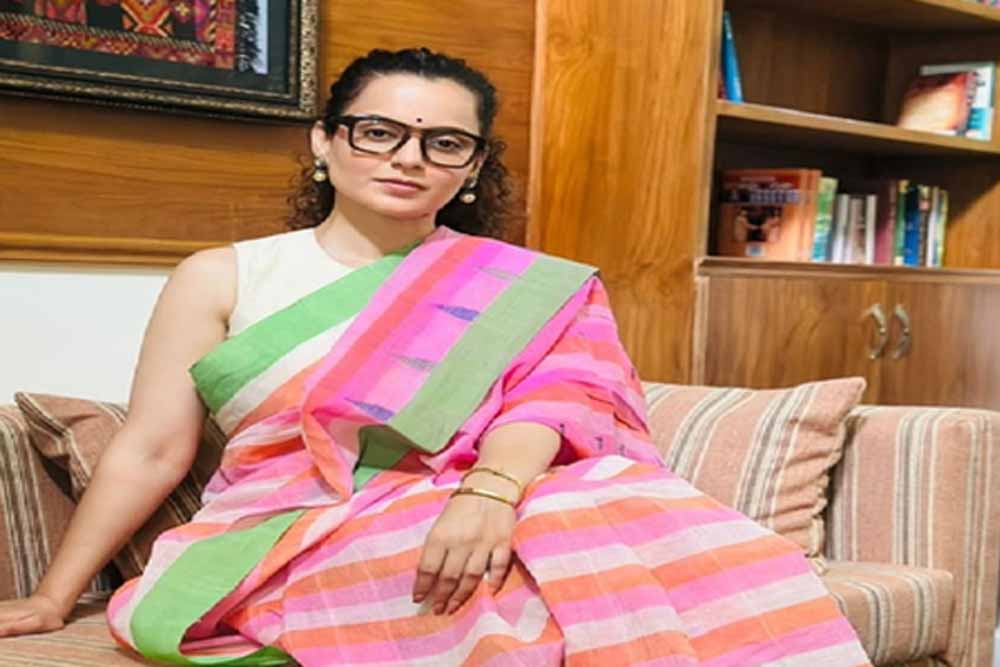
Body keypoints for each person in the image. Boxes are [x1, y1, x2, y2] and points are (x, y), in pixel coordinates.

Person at [0, 48, 871, 667]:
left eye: (444, 142)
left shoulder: (525, 285)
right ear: (323, 140)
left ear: (474, 165)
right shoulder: (225, 275)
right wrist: (51, 595)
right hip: (292, 528)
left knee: (623, 505)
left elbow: (559, 401)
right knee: (524, 569)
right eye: (378, 131)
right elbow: (153, 448)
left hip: (482, 501)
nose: (409, 158)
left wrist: (487, 494)